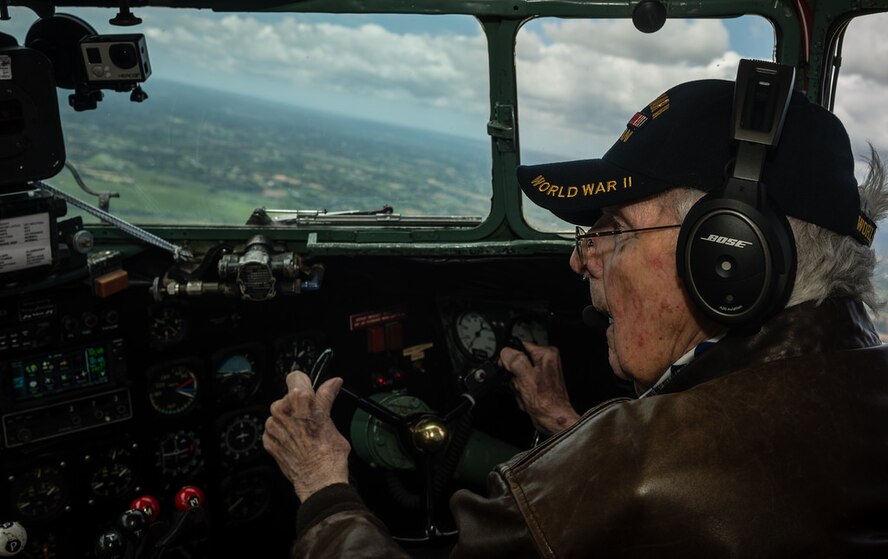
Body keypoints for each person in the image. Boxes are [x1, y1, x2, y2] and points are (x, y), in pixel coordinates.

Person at [262, 74, 888, 557]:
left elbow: (645, 481)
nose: (581, 261)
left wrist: (324, 490)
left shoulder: (634, 470)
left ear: (725, 256)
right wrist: (570, 429)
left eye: (613, 230)